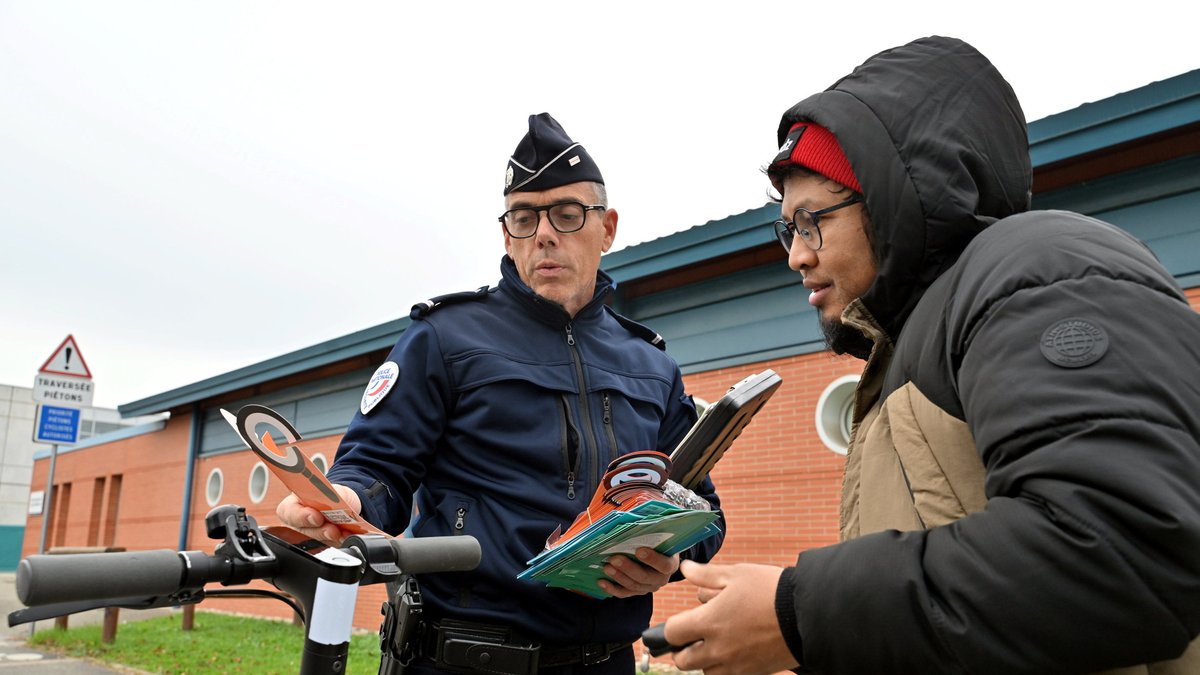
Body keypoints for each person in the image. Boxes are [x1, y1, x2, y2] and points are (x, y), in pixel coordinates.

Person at [659, 36, 1200, 674]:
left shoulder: (1039, 267)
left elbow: (1126, 549)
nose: (796, 255)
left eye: (812, 221)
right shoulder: (910, 345)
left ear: (890, 200)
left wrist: (799, 614)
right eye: (787, 229)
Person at [276, 112, 725, 674]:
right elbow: (378, 469)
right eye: (523, 217)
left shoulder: (652, 364)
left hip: (606, 662)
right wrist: (347, 499)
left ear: (607, 228)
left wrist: (671, 553)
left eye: (567, 214)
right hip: (463, 659)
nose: (543, 234)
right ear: (506, 232)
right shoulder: (444, 338)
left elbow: (703, 511)